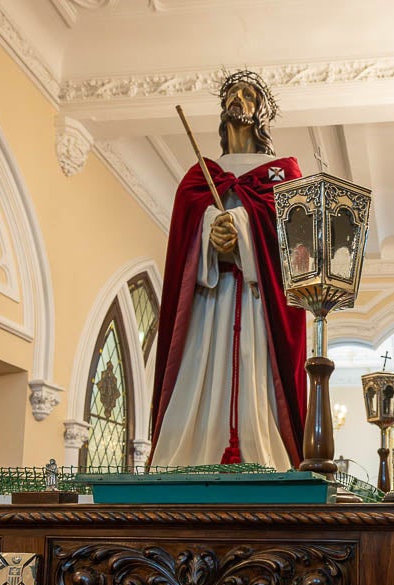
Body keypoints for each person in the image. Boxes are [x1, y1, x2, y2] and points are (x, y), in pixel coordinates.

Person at [151, 70, 306, 469]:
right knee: (201, 369)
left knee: (255, 375)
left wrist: (243, 233)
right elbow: (181, 237)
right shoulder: (199, 176)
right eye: (232, 94)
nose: (238, 98)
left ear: (262, 112)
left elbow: (292, 244)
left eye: (248, 94)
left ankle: (262, 453)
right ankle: (192, 452)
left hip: (259, 305)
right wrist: (207, 233)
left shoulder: (282, 173)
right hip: (207, 299)